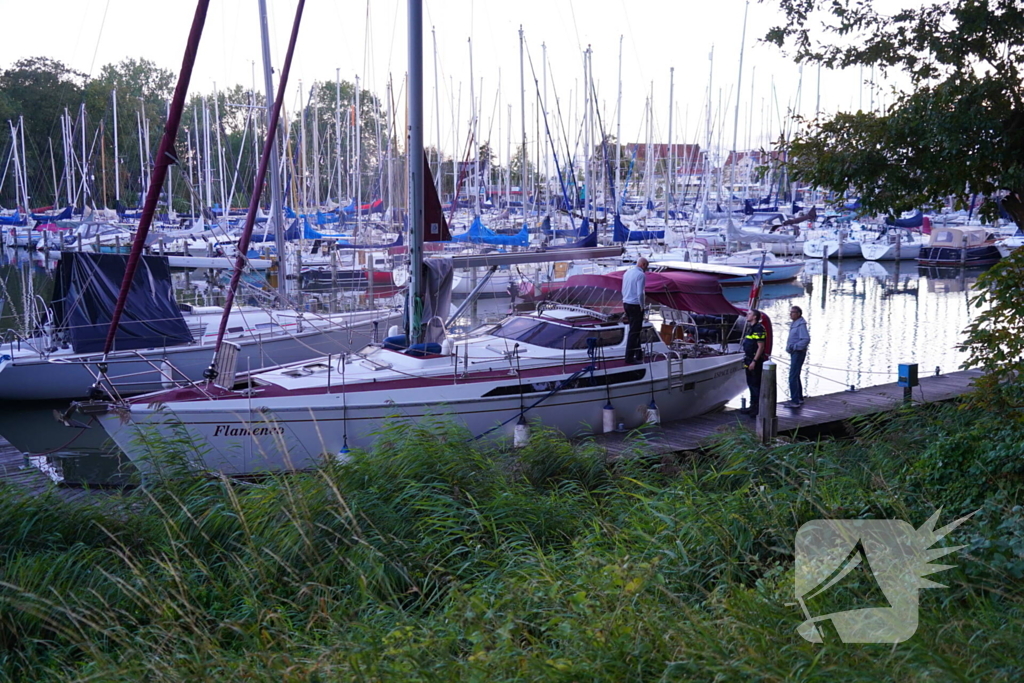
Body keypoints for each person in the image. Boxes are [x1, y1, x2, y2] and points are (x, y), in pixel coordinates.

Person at [740, 309, 767, 417]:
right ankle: (752, 406)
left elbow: (761, 347)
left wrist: (754, 361)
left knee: (756, 384)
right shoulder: (751, 328)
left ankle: (757, 409)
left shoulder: (758, 329)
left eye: (750, 314)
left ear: (755, 317)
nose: (747, 315)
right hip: (748, 358)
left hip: (754, 360)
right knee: (751, 384)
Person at [621, 257, 648, 364]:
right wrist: (642, 306)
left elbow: (623, 288)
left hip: (626, 302)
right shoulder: (641, 275)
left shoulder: (627, 272)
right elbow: (640, 293)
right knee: (634, 331)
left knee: (634, 329)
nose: (647, 269)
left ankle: (639, 353)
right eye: (647, 266)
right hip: (635, 305)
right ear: (643, 265)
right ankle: (629, 357)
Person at [785, 305, 810, 407]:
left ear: (798, 314)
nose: (790, 314)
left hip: (798, 353)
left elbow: (806, 339)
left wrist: (795, 347)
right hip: (795, 352)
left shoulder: (801, 325)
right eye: (790, 312)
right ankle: (799, 398)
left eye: (793, 312)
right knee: (796, 375)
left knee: (792, 376)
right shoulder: (795, 323)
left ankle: (795, 401)